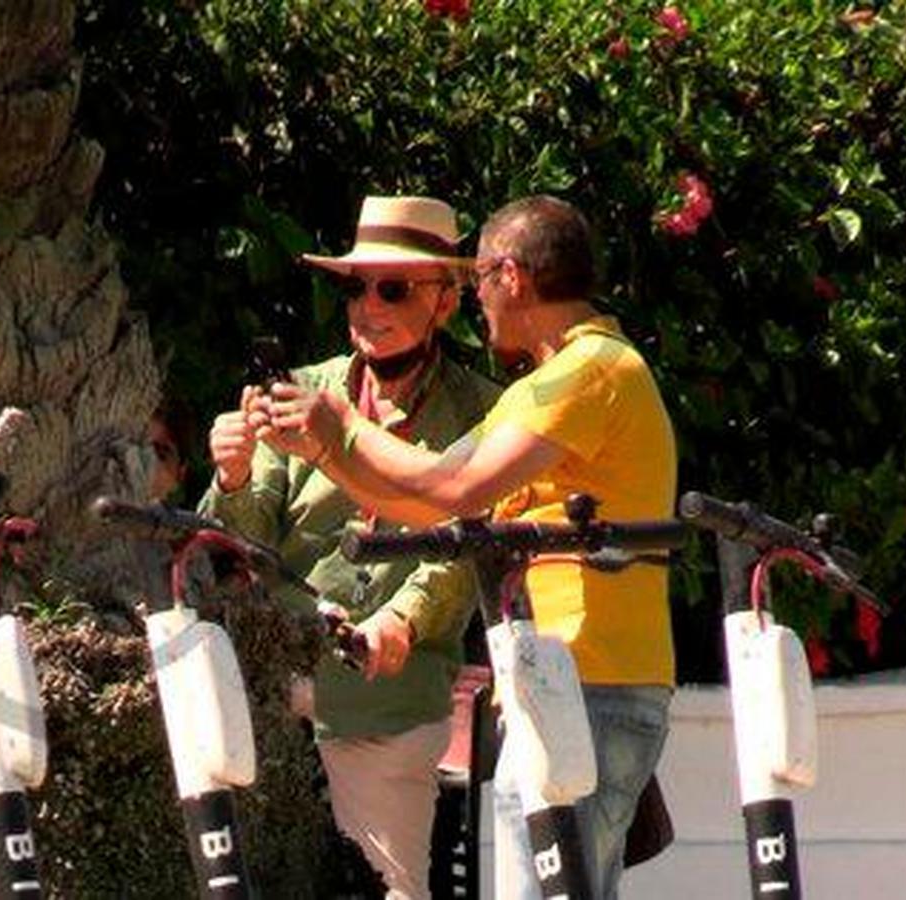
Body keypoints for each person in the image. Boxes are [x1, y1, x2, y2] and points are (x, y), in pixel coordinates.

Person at [257, 195, 677, 899]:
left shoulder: (588, 372)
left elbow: (450, 486)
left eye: (478, 279)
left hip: (591, 683)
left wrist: (340, 430)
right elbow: (429, 502)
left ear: (509, 276)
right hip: (565, 685)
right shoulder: (555, 379)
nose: (477, 303)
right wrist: (329, 446)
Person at [198, 196, 501, 899]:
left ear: (448, 301)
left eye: (392, 287)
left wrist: (402, 620)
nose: (368, 304)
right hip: (272, 688)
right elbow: (235, 548)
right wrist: (232, 473)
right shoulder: (300, 390)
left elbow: (467, 547)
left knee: (388, 892)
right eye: (354, 285)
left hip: (385, 702)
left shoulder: (485, 411)